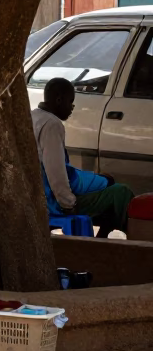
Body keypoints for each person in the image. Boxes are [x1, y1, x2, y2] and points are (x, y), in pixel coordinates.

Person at [33, 78, 134, 237]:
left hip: (38, 194)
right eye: (71, 103)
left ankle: (99, 242)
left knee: (107, 184)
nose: (72, 108)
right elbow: (56, 173)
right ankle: (106, 246)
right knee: (121, 193)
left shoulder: (35, 117)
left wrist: (95, 179)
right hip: (52, 202)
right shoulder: (52, 124)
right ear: (59, 100)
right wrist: (68, 203)